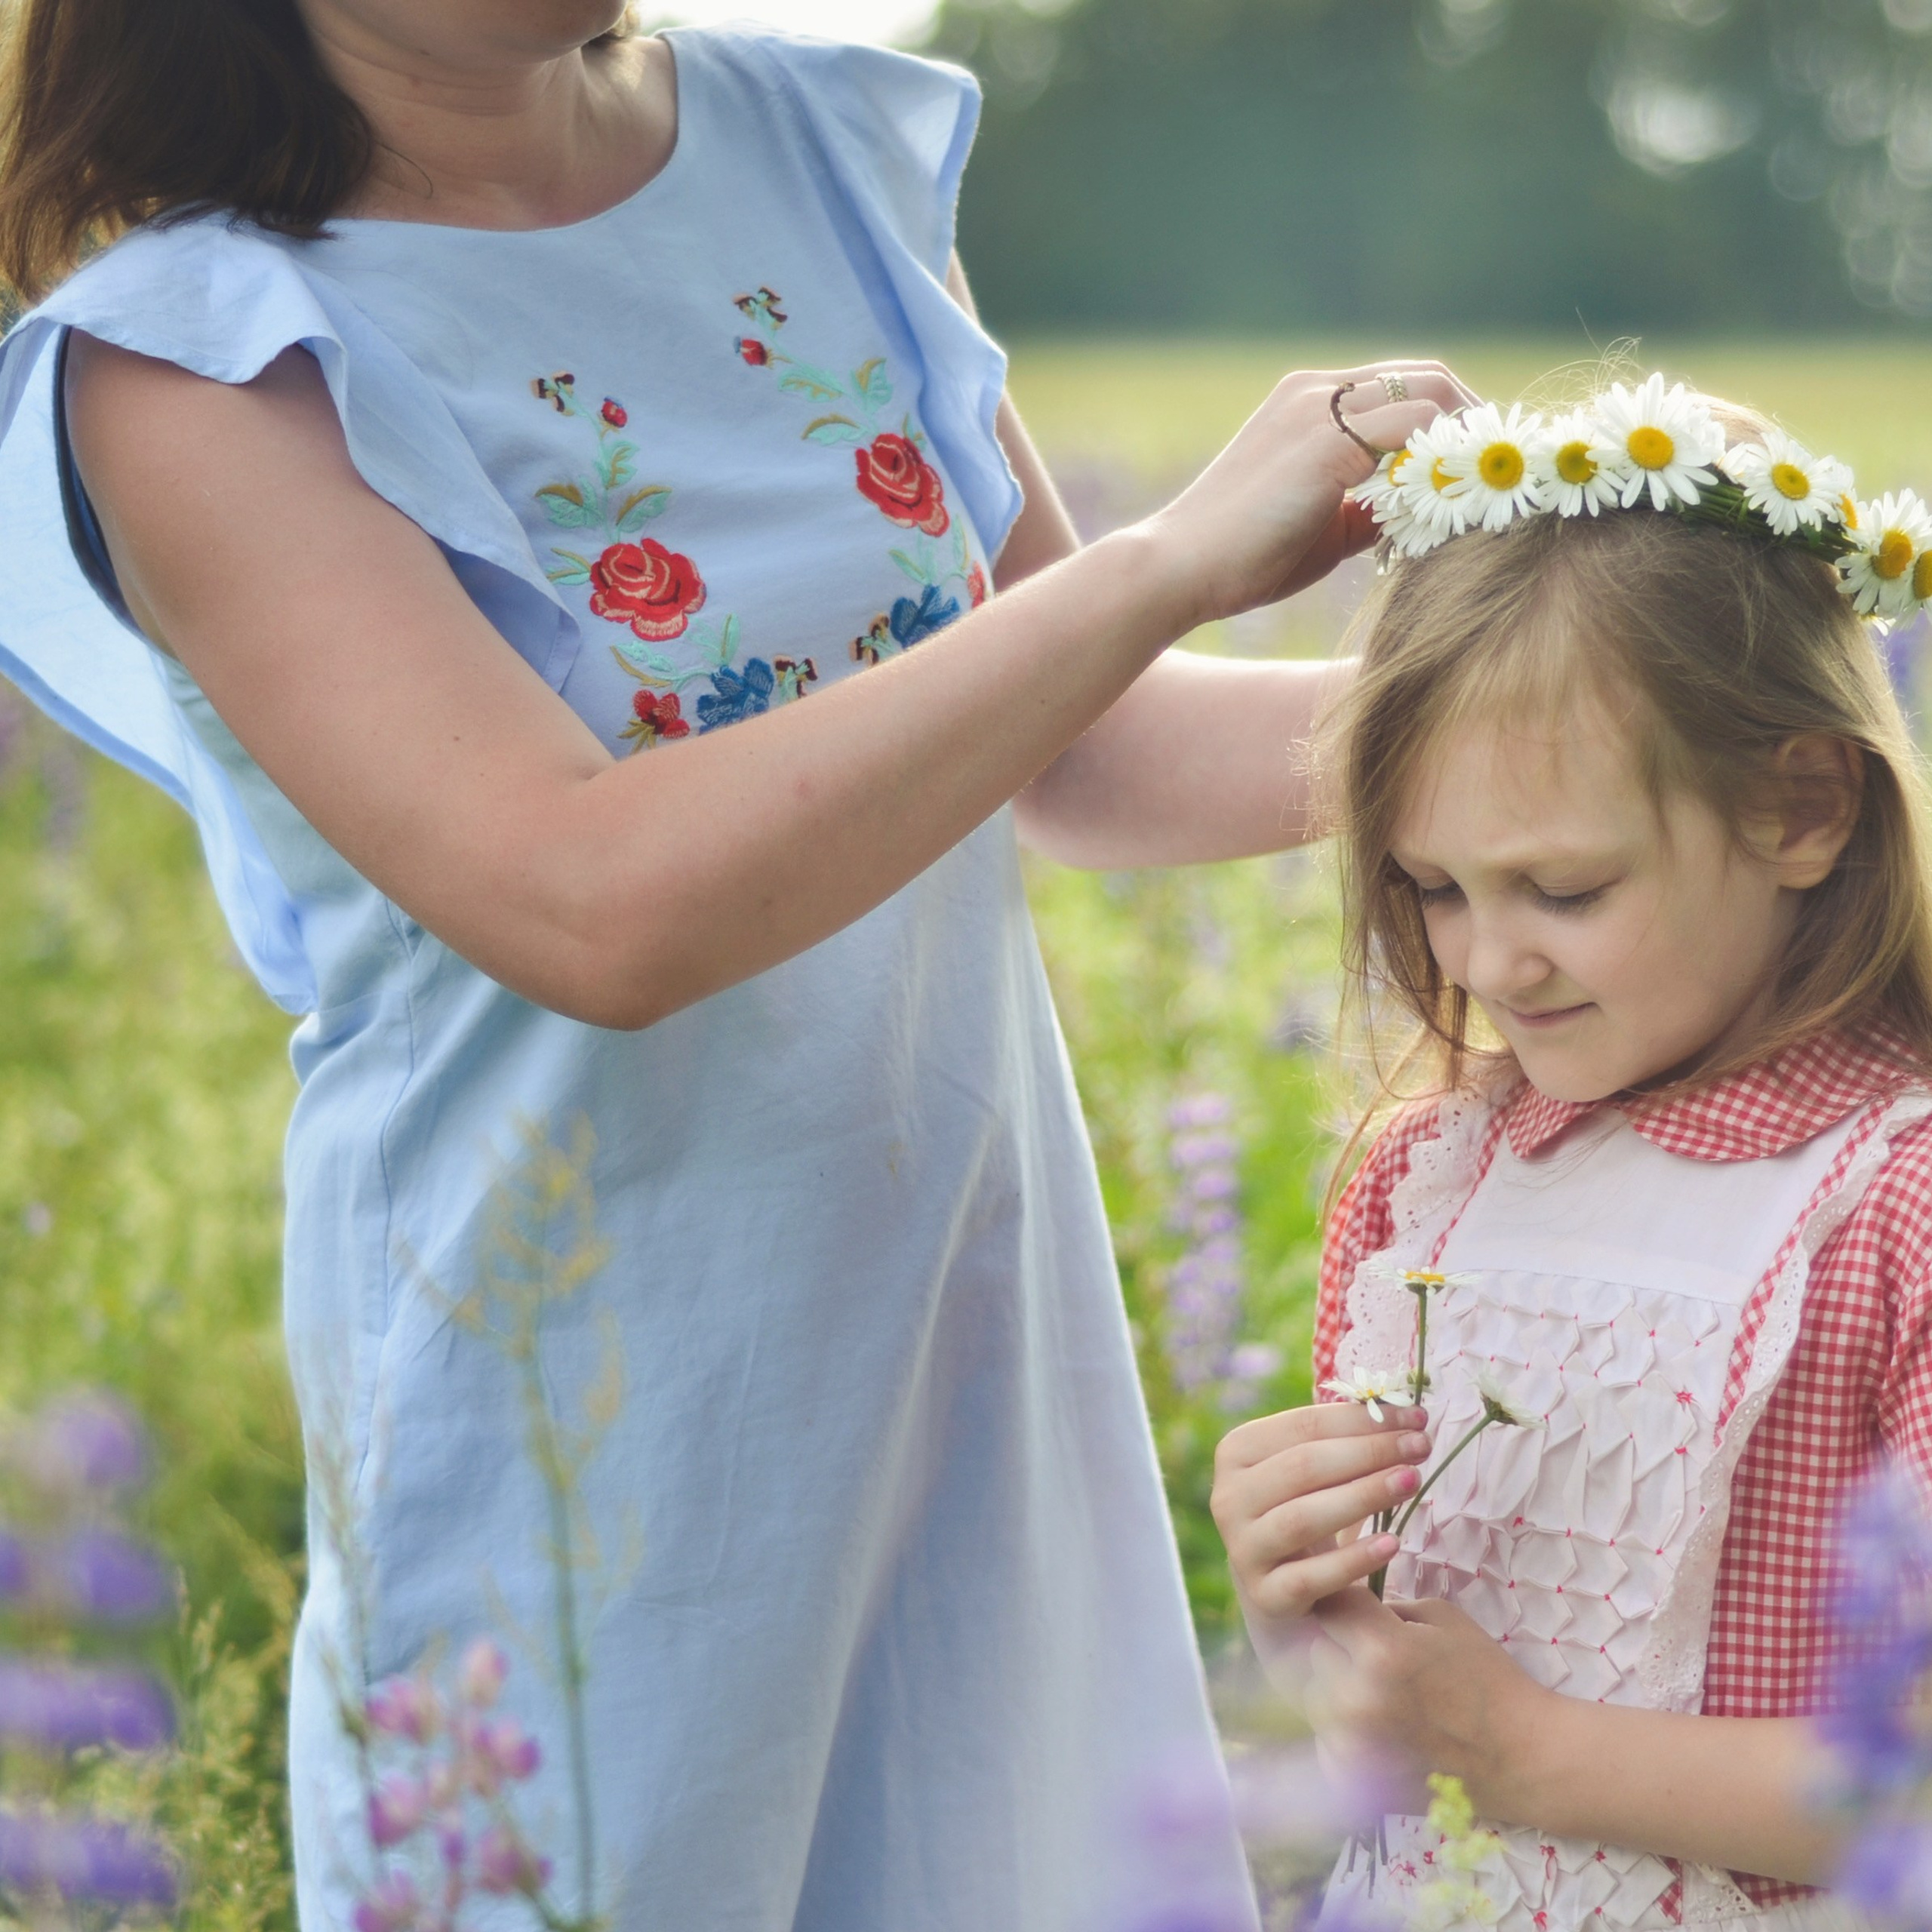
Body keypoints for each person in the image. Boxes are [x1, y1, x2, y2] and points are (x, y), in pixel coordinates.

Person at [0, 2, 1473, 1927]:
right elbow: (590, 903)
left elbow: (1076, 745)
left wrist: (1543, 719)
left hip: (967, 1361)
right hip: (589, 1444)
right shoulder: (199, 359)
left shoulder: (816, 144)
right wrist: (1169, 557)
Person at [1211, 377, 1932, 1927]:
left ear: (1798, 807)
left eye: (1561, 886)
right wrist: (1291, 1596)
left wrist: (1533, 1755)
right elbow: (1389, 1720)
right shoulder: (1429, 1179)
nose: (1487, 964)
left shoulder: (1892, 1202)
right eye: (1432, 887)